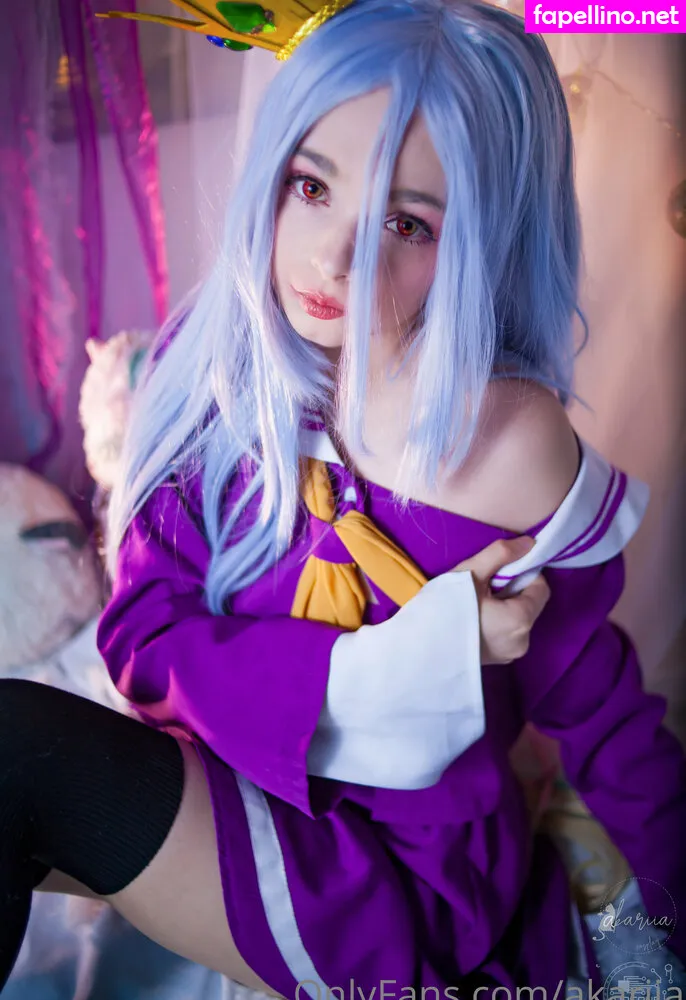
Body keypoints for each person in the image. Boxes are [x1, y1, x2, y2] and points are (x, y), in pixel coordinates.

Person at [2, 0, 685, 996]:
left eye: (407, 223)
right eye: (311, 185)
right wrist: (414, 657)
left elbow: (605, 720)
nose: (332, 258)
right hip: (224, 784)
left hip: (391, 882)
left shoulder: (510, 443)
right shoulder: (217, 368)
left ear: (481, 241)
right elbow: (141, 642)